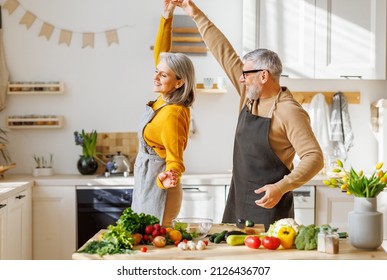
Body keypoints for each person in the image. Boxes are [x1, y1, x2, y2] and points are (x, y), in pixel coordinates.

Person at [171, 0, 324, 230]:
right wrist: (194, 12)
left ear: (264, 76)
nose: (241, 79)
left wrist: (282, 187)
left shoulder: (289, 111)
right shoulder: (249, 96)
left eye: (246, 74)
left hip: (270, 208)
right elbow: (223, 51)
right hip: (238, 202)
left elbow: (314, 157)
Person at [131, 1, 196, 227]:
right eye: (156, 72)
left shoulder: (173, 114)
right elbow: (162, 54)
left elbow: (175, 158)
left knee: (158, 247)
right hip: (147, 181)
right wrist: (167, 16)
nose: (156, 77)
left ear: (179, 82)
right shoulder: (164, 99)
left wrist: (170, 175)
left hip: (161, 187)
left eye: (163, 76)